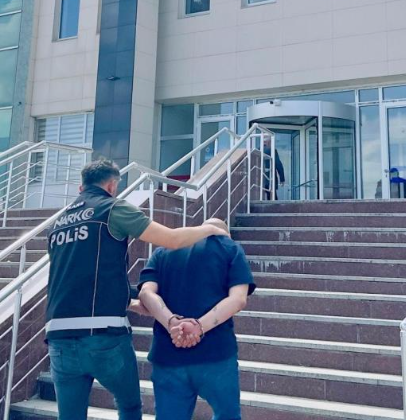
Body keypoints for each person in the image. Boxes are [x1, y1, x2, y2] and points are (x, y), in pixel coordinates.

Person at [45, 159, 227, 420]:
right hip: (104, 335)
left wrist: (128, 301)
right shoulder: (111, 208)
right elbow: (172, 239)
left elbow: (77, 276)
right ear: (112, 185)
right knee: (129, 406)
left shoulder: (58, 223)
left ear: (80, 188)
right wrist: (210, 229)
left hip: (59, 337)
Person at [138, 218, 256, 420]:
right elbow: (238, 299)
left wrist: (172, 323)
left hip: (168, 356)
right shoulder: (230, 248)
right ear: (224, 233)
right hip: (216, 355)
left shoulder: (162, 252)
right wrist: (198, 327)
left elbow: (145, 294)